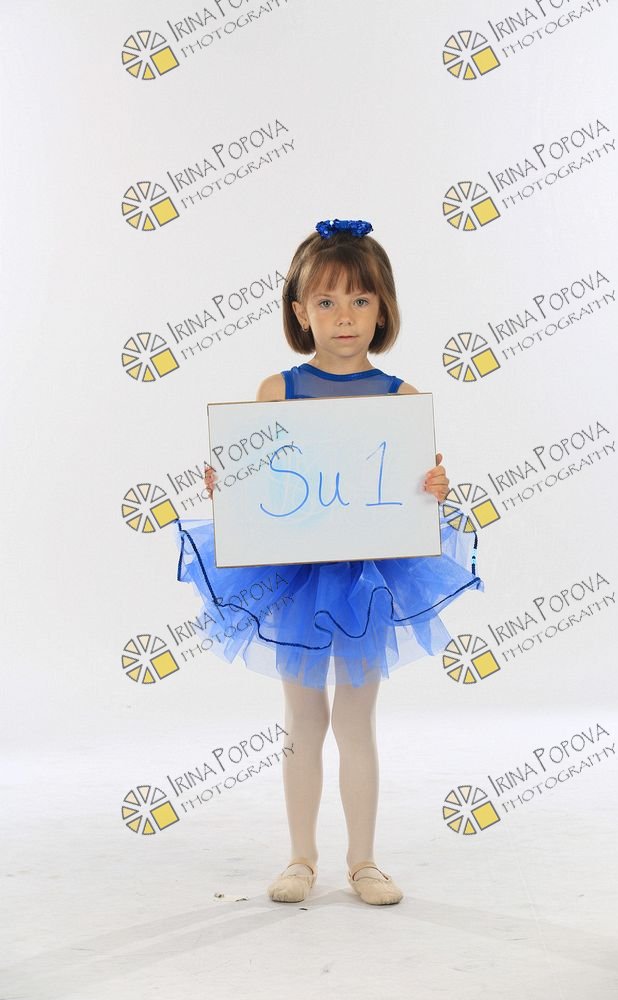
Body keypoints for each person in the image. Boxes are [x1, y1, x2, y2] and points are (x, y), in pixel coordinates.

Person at [174, 218, 484, 906]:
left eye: (360, 300)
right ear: (299, 312)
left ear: (383, 309)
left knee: (356, 720)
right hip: (295, 574)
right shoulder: (277, 391)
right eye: (326, 301)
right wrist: (229, 484)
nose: (344, 317)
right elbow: (257, 484)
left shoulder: (401, 400)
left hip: (367, 577)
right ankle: (300, 858)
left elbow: (412, 491)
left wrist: (433, 486)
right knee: (303, 718)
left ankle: (364, 861)